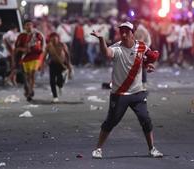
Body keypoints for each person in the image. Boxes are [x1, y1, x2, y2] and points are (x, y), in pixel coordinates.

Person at [90, 21, 163, 159]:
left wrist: (148, 65)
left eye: (126, 31)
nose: (123, 34)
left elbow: (147, 58)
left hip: (137, 92)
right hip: (120, 94)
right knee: (111, 122)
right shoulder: (117, 48)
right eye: (121, 31)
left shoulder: (142, 46)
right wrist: (101, 40)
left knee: (145, 119)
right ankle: (98, 149)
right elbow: (106, 53)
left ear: (132, 33)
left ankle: (152, 148)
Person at [15, 19, 45, 101]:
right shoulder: (21, 36)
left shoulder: (37, 34)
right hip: (25, 58)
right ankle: (28, 89)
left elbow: (43, 44)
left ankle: (31, 90)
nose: (29, 26)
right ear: (24, 26)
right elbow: (17, 48)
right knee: (27, 75)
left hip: (35, 57)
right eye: (27, 25)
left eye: (30, 25)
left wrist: (41, 50)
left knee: (32, 74)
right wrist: (23, 49)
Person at [43, 32, 72, 102]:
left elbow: (67, 55)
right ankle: (55, 97)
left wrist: (69, 64)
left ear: (58, 38)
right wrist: (43, 64)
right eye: (52, 38)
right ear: (50, 39)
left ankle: (60, 86)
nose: (54, 39)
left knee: (59, 79)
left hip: (62, 64)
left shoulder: (62, 44)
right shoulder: (49, 46)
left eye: (55, 37)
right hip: (53, 64)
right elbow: (44, 56)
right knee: (52, 81)